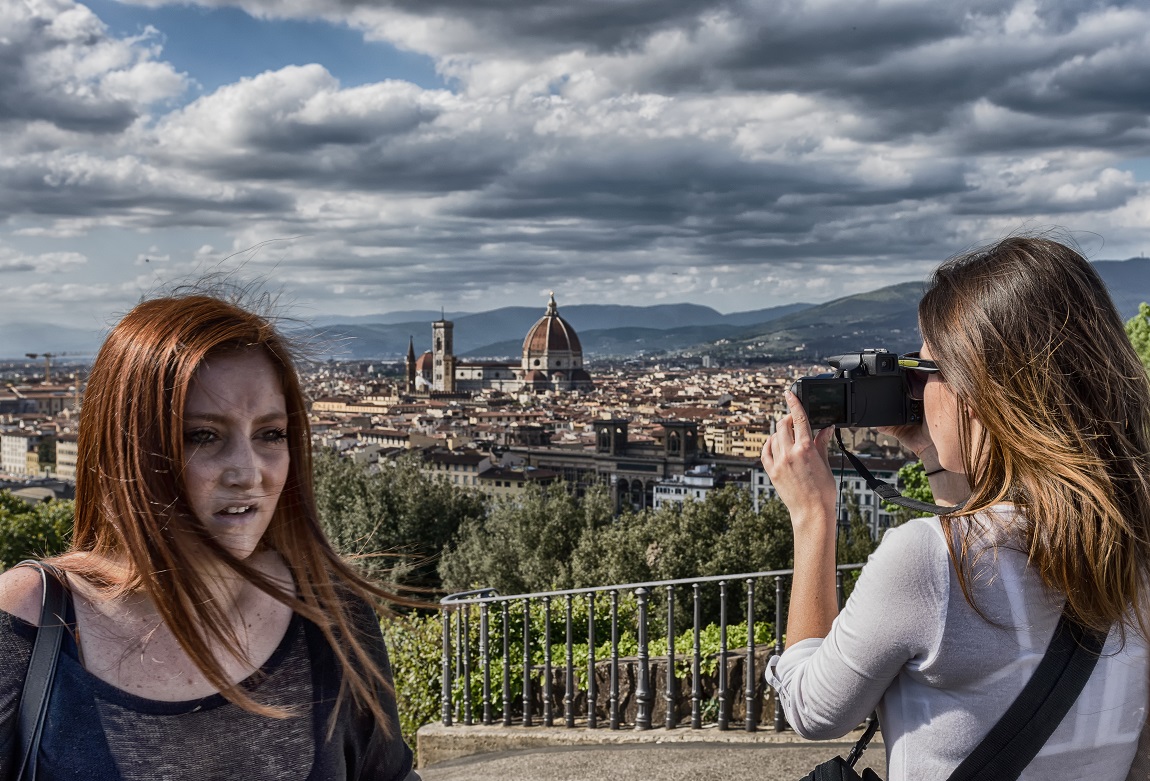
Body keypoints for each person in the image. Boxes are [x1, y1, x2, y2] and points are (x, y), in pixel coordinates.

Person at [761, 236, 1150, 780]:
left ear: (981, 389)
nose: (917, 392)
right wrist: (933, 447)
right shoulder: (1133, 543)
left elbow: (812, 709)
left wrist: (812, 515)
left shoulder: (927, 559)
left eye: (925, 370)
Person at [0, 293, 420, 780]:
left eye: (271, 435)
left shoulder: (331, 616)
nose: (249, 472)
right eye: (202, 435)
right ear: (126, 449)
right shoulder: (25, 625)